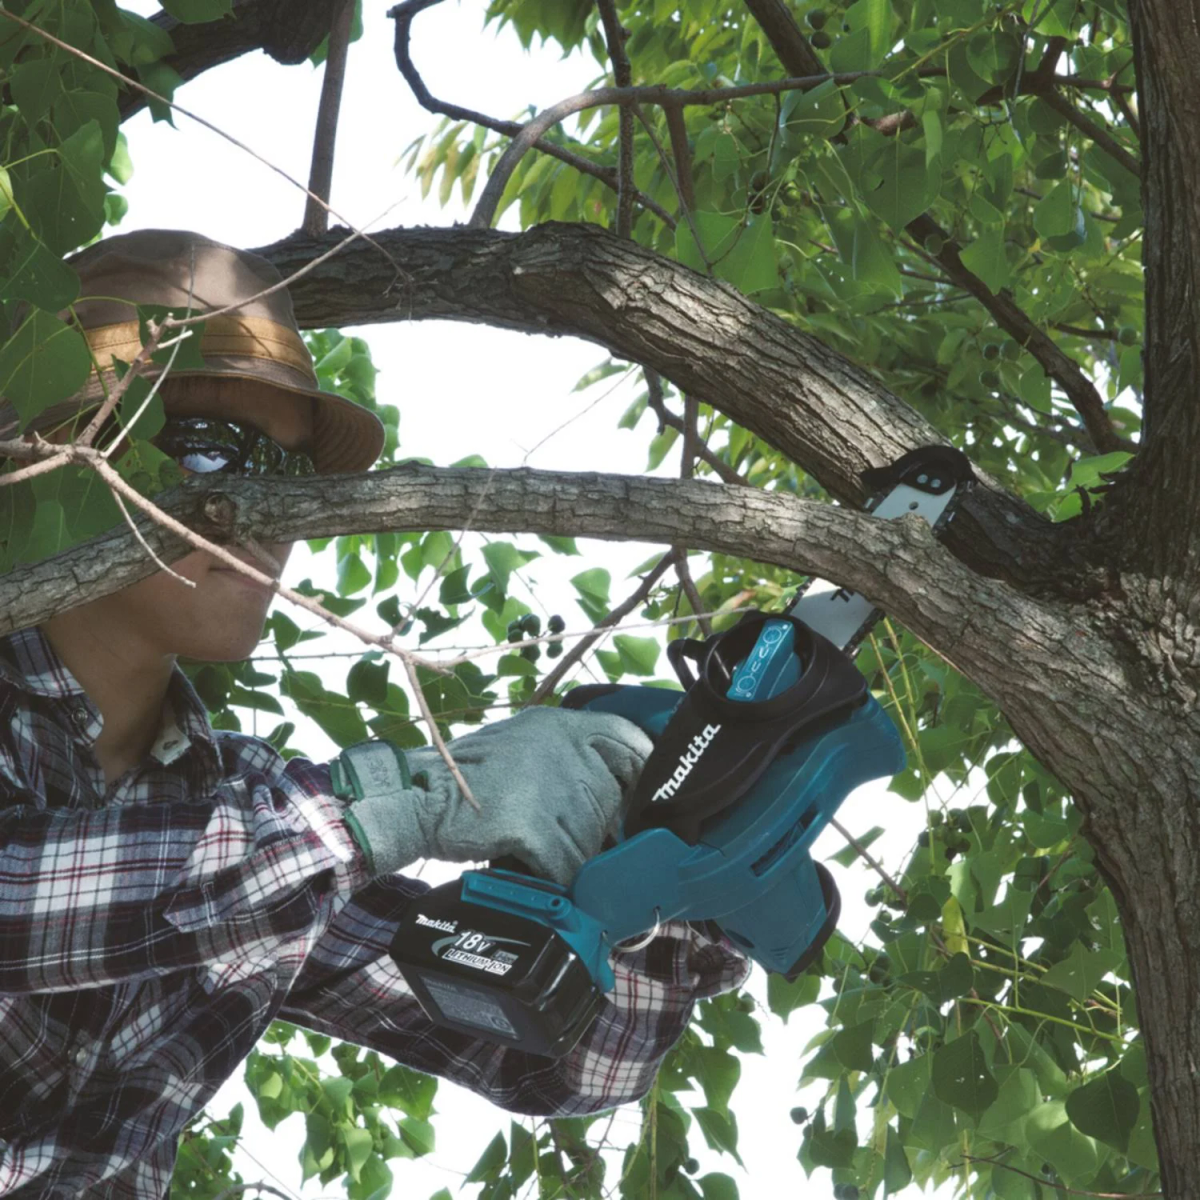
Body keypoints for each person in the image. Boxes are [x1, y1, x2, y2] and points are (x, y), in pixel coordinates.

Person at [0, 231, 748, 1199]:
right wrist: (394, 802)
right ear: (54, 446)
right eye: (207, 447)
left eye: (287, 474)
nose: (260, 510)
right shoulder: (281, 839)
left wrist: (664, 873)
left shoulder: (248, 812)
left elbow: (559, 1063)